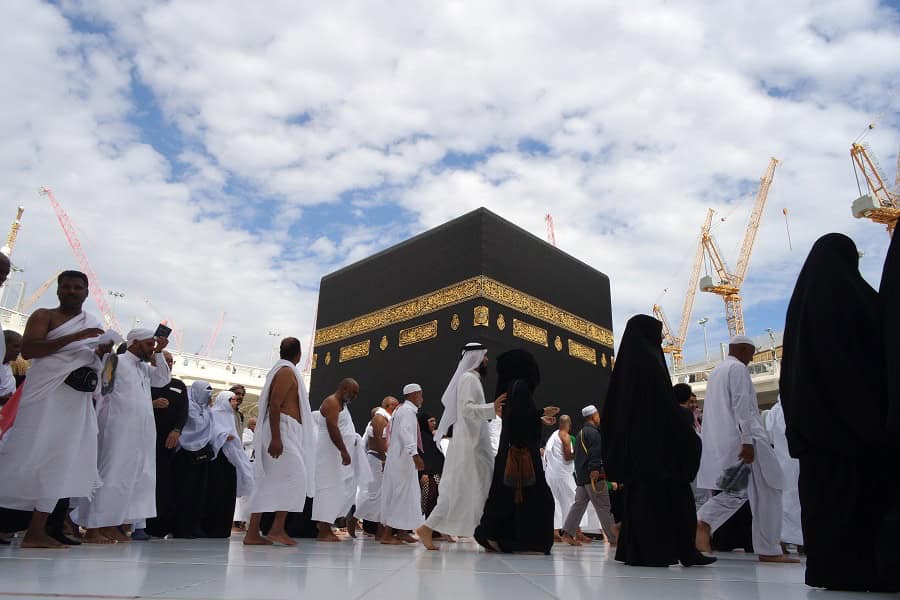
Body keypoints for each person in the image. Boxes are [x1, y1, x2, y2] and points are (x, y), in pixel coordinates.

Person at [780, 233, 895, 589]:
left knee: (824, 503)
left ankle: (828, 571)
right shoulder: (857, 301)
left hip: (813, 435)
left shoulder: (801, 315)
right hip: (855, 432)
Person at [0, 270, 116, 548]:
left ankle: (37, 531)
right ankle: (13, 525)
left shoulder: (92, 323)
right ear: (58, 290)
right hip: (45, 398)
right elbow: (29, 350)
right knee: (29, 455)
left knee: (62, 461)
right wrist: (79, 337)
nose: (72, 291)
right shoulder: (44, 315)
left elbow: (91, 362)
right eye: (67, 287)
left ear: (87, 293)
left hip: (74, 401)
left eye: (78, 287)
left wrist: (98, 351)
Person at [602, 315, 714, 567]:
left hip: (637, 454)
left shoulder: (626, 368)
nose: (662, 338)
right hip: (655, 452)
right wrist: (684, 419)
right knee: (675, 499)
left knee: (641, 502)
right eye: (659, 332)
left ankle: (642, 552)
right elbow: (662, 407)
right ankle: (682, 550)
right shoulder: (650, 361)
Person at [696, 334, 796, 564]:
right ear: (742, 349)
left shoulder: (717, 372)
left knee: (736, 493)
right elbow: (742, 407)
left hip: (729, 445)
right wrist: (747, 441)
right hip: (748, 443)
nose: (752, 359)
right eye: (751, 353)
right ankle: (769, 548)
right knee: (771, 488)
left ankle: (703, 521)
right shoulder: (738, 369)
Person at [71, 329, 169, 543]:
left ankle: (112, 524)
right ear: (133, 342)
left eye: (153, 344)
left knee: (130, 478)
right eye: (148, 344)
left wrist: (160, 353)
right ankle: (92, 528)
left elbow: (162, 379)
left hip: (139, 432)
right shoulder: (115, 360)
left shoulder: (143, 367)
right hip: (115, 427)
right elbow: (102, 390)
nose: (151, 347)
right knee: (109, 475)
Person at [416, 342, 504, 550]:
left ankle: (486, 533)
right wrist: (493, 407)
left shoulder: (473, 379)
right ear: (474, 357)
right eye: (484, 356)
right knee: (457, 489)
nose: (487, 360)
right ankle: (428, 527)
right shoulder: (468, 379)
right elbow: (467, 409)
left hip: (475, 443)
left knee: (479, 489)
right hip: (470, 447)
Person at [474, 349, 557, 554]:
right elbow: (521, 419)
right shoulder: (520, 387)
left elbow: (517, 417)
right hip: (522, 452)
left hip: (512, 451)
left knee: (506, 499)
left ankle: (495, 536)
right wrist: (539, 413)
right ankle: (524, 542)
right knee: (536, 500)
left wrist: (538, 416)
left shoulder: (512, 387)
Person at [243, 338, 315, 546]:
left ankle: (256, 532)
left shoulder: (286, 370)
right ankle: (274, 529)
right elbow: (275, 403)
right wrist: (276, 437)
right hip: (281, 430)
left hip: (287, 431)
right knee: (297, 477)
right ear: (299, 354)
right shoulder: (286, 372)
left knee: (272, 480)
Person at [313, 378, 370, 542]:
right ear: (345, 388)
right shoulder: (332, 402)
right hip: (330, 455)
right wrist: (344, 450)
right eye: (354, 392)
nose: (355, 396)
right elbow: (332, 428)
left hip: (338, 457)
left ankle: (326, 525)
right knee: (328, 490)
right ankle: (323, 530)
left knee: (342, 491)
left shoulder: (341, 404)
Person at [561, 406, 618, 547]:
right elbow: (594, 453)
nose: (599, 417)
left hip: (582, 476)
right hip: (593, 476)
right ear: (593, 416)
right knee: (604, 507)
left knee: (578, 505)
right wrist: (595, 469)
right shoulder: (593, 433)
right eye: (597, 414)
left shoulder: (580, 433)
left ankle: (567, 533)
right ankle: (614, 538)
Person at [146, 351, 188, 538]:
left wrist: (177, 430)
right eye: (165, 360)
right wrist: (152, 403)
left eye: (171, 361)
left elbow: (183, 411)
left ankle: (159, 525)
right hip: (146, 437)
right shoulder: (146, 380)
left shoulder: (178, 385)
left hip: (167, 441)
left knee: (163, 482)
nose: (168, 363)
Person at [379, 384, 426, 544]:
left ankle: (402, 531)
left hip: (402, 461)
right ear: (413, 395)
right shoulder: (406, 412)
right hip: (402, 461)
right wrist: (415, 454)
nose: (422, 398)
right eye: (420, 394)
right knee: (398, 495)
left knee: (407, 496)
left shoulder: (405, 411)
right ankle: (386, 535)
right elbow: (406, 434)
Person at [173, 381, 214, 538]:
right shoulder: (188, 406)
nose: (208, 396)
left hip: (201, 455)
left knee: (199, 493)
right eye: (205, 392)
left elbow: (209, 428)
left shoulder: (206, 409)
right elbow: (193, 427)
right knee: (185, 492)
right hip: (185, 454)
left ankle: (194, 526)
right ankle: (182, 528)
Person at [355, 396, 398, 537]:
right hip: (377, 460)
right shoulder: (380, 418)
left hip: (383, 460)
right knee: (375, 496)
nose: (396, 408)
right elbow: (379, 441)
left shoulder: (388, 419)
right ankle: (353, 518)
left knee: (382, 496)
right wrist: (385, 459)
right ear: (386, 405)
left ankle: (380, 530)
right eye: (393, 405)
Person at [763, 399, 802, 550]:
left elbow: (770, 436)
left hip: (781, 463)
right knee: (799, 501)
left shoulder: (774, 412)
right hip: (797, 462)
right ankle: (801, 542)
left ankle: (782, 540)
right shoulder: (797, 407)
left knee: (783, 502)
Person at [674, 384, 711, 511]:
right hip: (692, 469)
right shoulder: (683, 415)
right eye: (691, 401)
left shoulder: (693, 417)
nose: (693, 405)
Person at [544, 415, 576, 539]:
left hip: (551, 474)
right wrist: (579, 453)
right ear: (569, 424)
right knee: (573, 501)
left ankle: (555, 532)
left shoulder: (553, 436)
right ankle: (574, 531)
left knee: (555, 502)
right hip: (563, 475)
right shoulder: (565, 436)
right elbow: (568, 457)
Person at [417, 411, 444, 521]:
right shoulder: (423, 437)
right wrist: (425, 473)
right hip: (428, 475)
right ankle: (430, 529)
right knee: (430, 500)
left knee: (434, 500)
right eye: (431, 421)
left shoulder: (429, 436)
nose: (434, 423)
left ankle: (434, 530)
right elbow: (425, 456)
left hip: (434, 474)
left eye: (435, 420)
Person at [1, 330, 22, 403]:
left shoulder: (6, 364)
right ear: (2, 345)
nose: (19, 350)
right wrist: (1, 399)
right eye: (16, 346)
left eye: (20, 347)